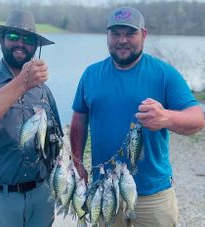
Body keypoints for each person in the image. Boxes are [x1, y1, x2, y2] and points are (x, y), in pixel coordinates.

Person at [70, 6, 204, 227]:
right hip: (104, 189)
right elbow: (79, 119)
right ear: (107, 36)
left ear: (144, 34)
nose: (122, 40)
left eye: (130, 33)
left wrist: (166, 118)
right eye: (115, 34)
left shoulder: (164, 73)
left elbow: (197, 118)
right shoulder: (91, 74)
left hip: (152, 193)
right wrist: (77, 162)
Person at [0, 10, 63, 227]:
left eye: (29, 39)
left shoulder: (44, 90)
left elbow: (57, 142)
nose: (21, 44)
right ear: (1, 41)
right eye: (14, 37)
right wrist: (22, 83)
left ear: (36, 47)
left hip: (40, 196)